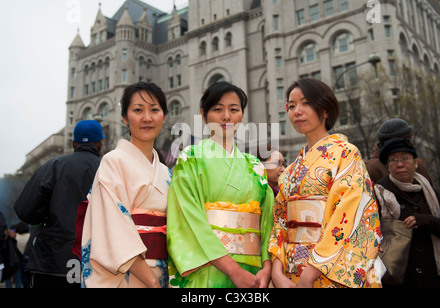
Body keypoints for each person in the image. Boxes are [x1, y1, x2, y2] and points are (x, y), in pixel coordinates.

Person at [269, 78, 383, 288]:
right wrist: (277, 273)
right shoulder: (291, 170)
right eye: (291, 106)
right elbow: (279, 221)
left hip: (328, 269)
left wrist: (312, 271)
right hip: (291, 270)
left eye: (306, 103)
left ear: (325, 110)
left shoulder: (347, 154)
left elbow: (351, 214)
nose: (297, 111)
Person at [167, 81, 274, 288]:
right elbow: (188, 219)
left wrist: (267, 267)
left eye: (234, 109)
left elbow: (268, 221)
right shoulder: (191, 157)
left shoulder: (254, 166)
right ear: (203, 114)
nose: (226, 116)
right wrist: (233, 271)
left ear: (242, 114)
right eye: (218, 109)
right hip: (208, 269)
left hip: (253, 272)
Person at [81, 82, 172, 288]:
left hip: (164, 272)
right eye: (138, 110)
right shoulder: (113, 162)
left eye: (154, 110)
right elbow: (113, 228)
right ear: (125, 117)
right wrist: (152, 282)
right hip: (127, 274)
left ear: (163, 117)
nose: (147, 118)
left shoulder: (166, 172)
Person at [14, 120, 104, 288]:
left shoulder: (54, 166)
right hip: (98, 264)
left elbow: (24, 209)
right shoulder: (109, 171)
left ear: (73, 143)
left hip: (53, 262)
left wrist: (46, 213)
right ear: (100, 143)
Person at [374, 138, 440, 288]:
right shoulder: (379, 193)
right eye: (393, 160)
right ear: (388, 166)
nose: (400, 164)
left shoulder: (429, 191)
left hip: (431, 276)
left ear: (416, 163)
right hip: (397, 277)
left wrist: (425, 220)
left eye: (405, 158)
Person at [365, 118, 433, 185]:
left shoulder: (416, 164)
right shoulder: (370, 170)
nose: (410, 143)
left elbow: (432, 193)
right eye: (407, 140)